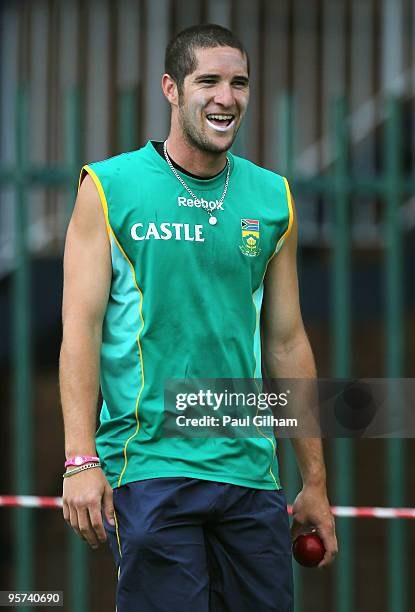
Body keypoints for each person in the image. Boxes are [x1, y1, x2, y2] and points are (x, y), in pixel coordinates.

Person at [60, 23, 337, 612]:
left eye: (239, 83)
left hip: (251, 473)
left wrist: (313, 481)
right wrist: (79, 459)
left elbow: (286, 343)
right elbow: (78, 332)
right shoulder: (109, 186)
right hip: (149, 464)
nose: (226, 97)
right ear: (170, 89)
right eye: (207, 81)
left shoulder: (273, 197)